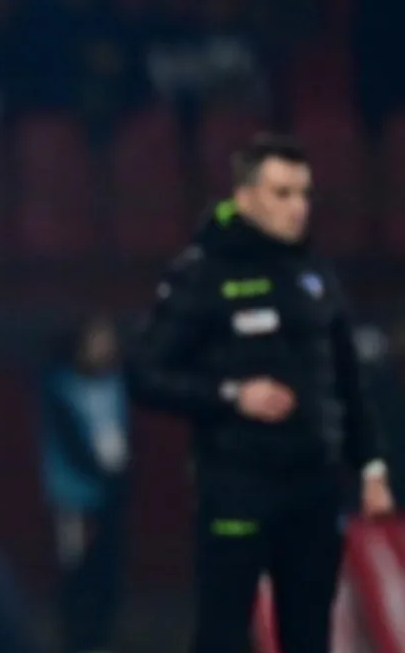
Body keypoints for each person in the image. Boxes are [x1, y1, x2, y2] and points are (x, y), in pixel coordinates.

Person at [127, 133, 395, 653]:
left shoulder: (313, 273)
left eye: (304, 193)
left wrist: (372, 465)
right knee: (223, 633)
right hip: (237, 482)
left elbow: (347, 379)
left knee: (309, 633)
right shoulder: (201, 273)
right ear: (244, 197)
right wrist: (232, 394)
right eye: (282, 192)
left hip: (315, 486)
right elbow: (145, 372)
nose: (298, 207)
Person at [39, 315, 128, 653]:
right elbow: (71, 444)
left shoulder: (117, 385)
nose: (104, 348)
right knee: (77, 574)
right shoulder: (59, 386)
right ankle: (76, 641)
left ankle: (102, 639)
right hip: (73, 501)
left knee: (109, 575)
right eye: (96, 340)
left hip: (112, 499)